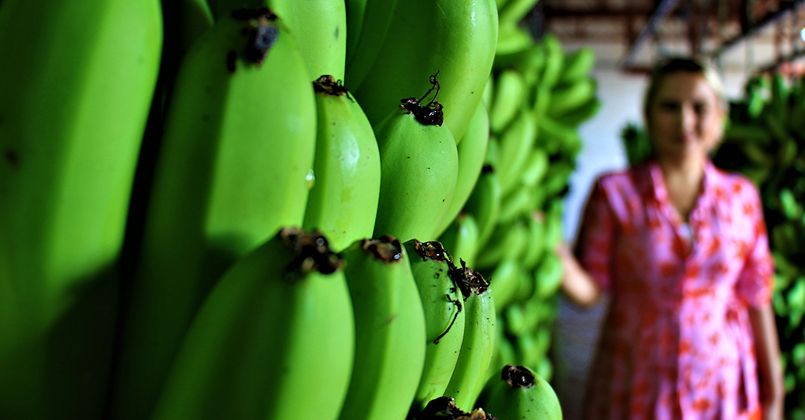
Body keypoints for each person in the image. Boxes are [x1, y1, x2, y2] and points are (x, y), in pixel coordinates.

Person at [558, 56, 785, 419]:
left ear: (719, 117)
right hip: (636, 381)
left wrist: (774, 395)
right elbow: (593, 290)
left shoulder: (742, 198)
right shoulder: (615, 193)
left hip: (720, 389)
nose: (685, 121)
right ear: (648, 115)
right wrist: (555, 255)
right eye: (670, 107)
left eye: (699, 107)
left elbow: (756, 296)